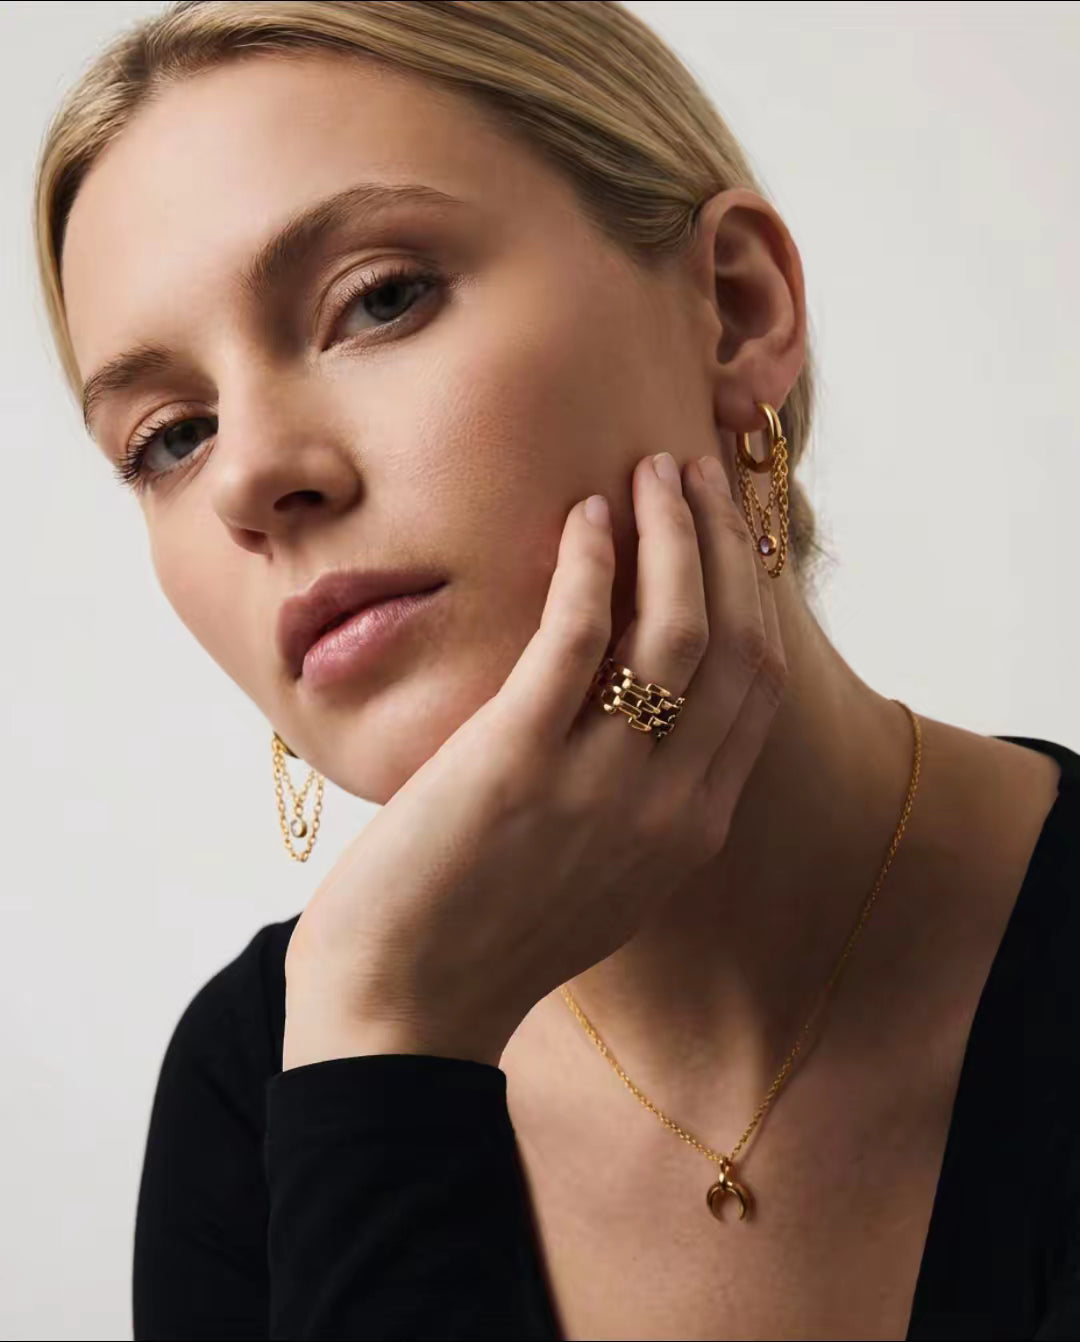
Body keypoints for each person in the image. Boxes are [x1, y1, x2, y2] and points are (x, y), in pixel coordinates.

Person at [33, 2, 1078, 1338]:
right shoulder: (269, 1084)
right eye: (169, 436)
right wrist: (384, 1043)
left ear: (736, 310)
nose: (246, 479)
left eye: (380, 298)